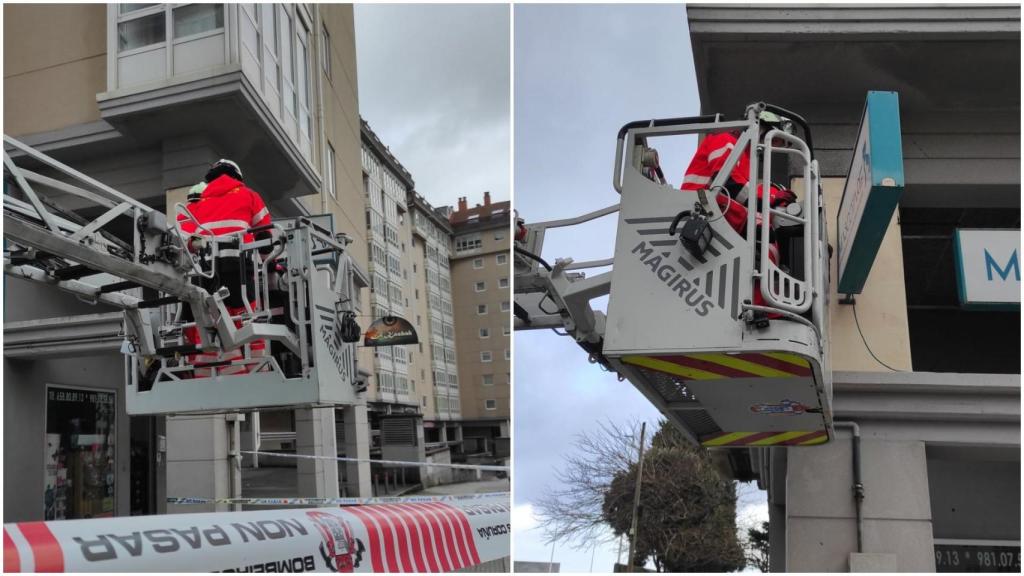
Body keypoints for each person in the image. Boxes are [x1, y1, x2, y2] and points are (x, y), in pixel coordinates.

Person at [681, 111, 798, 317]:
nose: (773, 145)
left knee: (764, 221)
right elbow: (729, 185)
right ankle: (765, 302)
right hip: (702, 206)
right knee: (760, 223)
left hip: (714, 208)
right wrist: (769, 202)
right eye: (775, 139)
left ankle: (772, 288)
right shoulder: (727, 141)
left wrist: (774, 201)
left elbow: (740, 189)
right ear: (761, 128)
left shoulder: (744, 157)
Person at [178, 159, 272, 375]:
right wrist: (270, 261)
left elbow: (186, 243)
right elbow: (265, 235)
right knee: (245, 318)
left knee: (210, 323)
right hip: (238, 270)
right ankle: (257, 369)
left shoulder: (193, 207)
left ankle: (207, 373)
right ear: (237, 177)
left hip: (203, 275)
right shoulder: (249, 195)